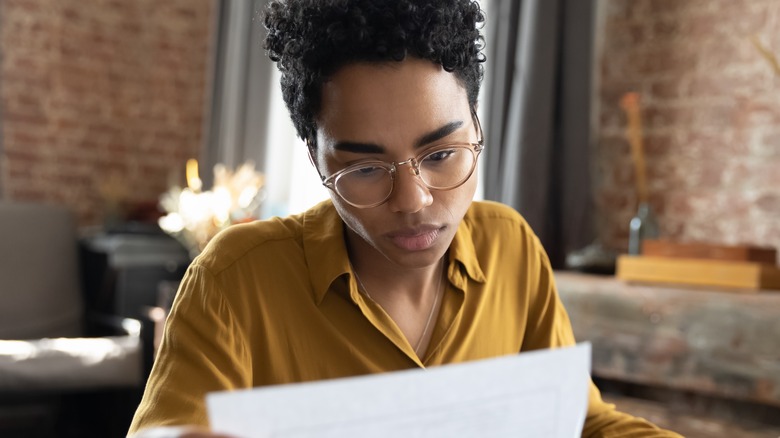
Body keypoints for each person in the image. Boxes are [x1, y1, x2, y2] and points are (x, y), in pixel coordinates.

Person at [129, 1, 681, 437]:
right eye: (366, 167)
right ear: (315, 156)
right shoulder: (236, 280)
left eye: (441, 155)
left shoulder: (511, 247)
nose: (413, 200)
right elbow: (169, 431)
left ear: (476, 127)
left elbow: (580, 422)